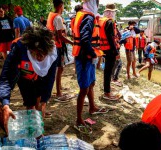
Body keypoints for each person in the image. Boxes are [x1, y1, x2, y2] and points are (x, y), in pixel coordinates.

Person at [0, 27, 57, 130]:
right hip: (25, 77)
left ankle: (38, 128)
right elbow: (6, 77)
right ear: (30, 50)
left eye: (43, 54)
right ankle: (32, 128)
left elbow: (50, 78)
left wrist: (45, 101)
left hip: (40, 78)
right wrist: (5, 104)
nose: (40, 58)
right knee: (30, 103)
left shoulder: (52, 52)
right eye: (37, 54)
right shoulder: (19, 49)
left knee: (39, 102)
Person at [71, 0, 109, 134]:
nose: (97, 6)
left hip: (88, 57)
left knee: (91, 84)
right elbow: (85, 39)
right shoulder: (88, 17)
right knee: (84, 89)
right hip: (84, 58)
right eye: (96, 3)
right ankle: (79, 119)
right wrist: (93, 55)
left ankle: (92, 107)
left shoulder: (84, 15)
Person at [47, 0, 74, 102]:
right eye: (63, 6)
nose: (63, 8)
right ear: (60, 6)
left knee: (57, 68)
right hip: (57, 46)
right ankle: (58, 93)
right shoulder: (57, 17)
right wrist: (72, 43)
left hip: (52, 45)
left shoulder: (51, 15)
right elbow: (60, 36)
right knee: (60, 68)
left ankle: (59, 87)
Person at [99, 3, 120, 101]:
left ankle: (107, 89)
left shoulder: (102, 20)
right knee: (108, 71)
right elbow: (111, 38)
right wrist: (116, 52)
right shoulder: (109, 22)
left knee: (107, 70)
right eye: (114, 12)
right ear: (111, 12)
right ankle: (107, 92)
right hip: (110, 49)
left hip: (104, 48)